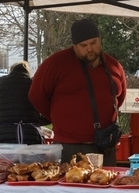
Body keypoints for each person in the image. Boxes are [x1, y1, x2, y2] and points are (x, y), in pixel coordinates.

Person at [29, 18, 126, 165]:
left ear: (99, 40)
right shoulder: (56, 63)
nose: (89, 49)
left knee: (108, 179)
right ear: (74, 46)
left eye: (93, 43)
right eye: (83, 45)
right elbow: (36, 96)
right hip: (70, 146)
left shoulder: (114, 66)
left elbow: (119, 97)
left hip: (105, 144)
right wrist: (59, 118)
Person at [0, 61, 48, 144]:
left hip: (4, 136)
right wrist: (34, 120)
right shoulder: (34, 84)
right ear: (28, 72)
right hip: (31, 136)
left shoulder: (0, 82)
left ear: (11, 71)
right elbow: (49, 114)